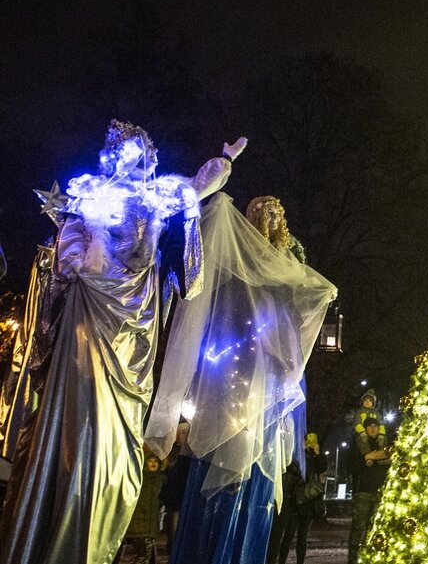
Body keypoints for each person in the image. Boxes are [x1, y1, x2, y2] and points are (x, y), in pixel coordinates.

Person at [0, 120, 245, 564]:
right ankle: (63, 513)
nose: (130, 161)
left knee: (119, 424)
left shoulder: (157, 195)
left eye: (139, 153)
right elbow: (68, 245)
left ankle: (96, 517)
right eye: (122, 153)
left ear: (149, 157)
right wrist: (78, 257)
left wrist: (224, 160)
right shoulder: (93, 193)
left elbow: (196, 187)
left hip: (136, 323)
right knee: (82, 413)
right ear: (111, 156)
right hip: (91, 310)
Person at [144, 193, 335, 564]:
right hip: (232, 384)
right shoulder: (235, 274)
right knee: (226, 465)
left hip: (262, 388)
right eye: (265, 215)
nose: (272, 220)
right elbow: (222, 322)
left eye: (278, 214)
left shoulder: (285, 268)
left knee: (253, 470)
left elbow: (295, 310)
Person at [272, 434, 328, 564]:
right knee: (288, 536)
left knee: (302, 537)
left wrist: (317, 452)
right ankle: (281, 561)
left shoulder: (312, 455)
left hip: (307, 500)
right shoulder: (293, 454)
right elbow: (292, 469)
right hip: (295, 500)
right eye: (304, 440)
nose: (307, 442)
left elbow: (322, 468)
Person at [348, 418, 390, 564]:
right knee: (358, 528)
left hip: (379, 493)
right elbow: (350, 467)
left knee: (374, 529)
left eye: (375, 426)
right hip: (362, 492)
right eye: (370, 426)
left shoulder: (384, 445)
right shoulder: (357, 444)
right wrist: (367, 456)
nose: (373, 428)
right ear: (365, 429)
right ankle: (353, 559)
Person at [119, 447, 168, 564]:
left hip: (148, 520)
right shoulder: (139, 477)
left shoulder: (159, 477)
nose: (153, 463)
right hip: (139, 520)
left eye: (155, 461)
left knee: (146, 548)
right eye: (150, 461)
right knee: (142, 547)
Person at [159, 423, 192, 556]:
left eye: (183, 434)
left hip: (182, 498)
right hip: (174, 499)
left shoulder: (189, 456)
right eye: (178, 434)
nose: (179, 437)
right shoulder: (172, 452)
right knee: (172, 527)